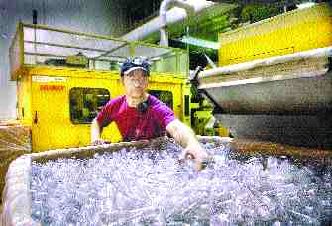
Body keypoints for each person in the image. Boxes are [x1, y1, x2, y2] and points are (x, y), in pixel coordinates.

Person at [91, 56, 209, 170]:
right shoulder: (115, 105)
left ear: (148, 81)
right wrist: (96, 139)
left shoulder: (157, 107)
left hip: (156, 160)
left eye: (142, 78)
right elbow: (97, 121)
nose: (137, 84)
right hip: (131, 159)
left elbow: (176, 127)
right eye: (132, 78)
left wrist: (192, 144)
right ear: (122, 80)